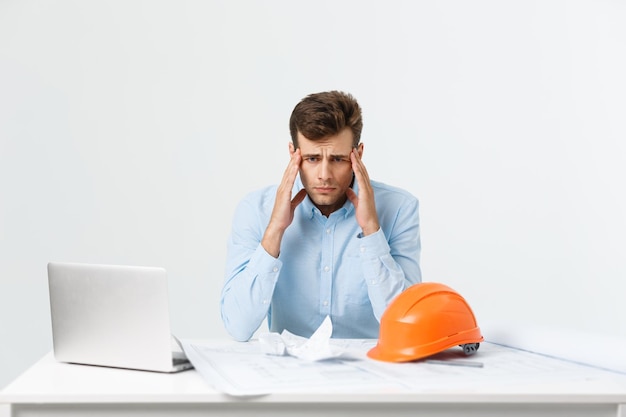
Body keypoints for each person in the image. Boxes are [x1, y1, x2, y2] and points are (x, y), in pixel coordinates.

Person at [221, 91, 421, 341]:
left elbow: (408, 324)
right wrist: (274, 231)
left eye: (337, 159)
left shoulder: (399, 208)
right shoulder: (255, 209)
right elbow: (238, 327)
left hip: (370, 370)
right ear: (293, 153)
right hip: (288, 373)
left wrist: (371, 230)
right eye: (312, 158)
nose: (324, 174)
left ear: (357, 154)